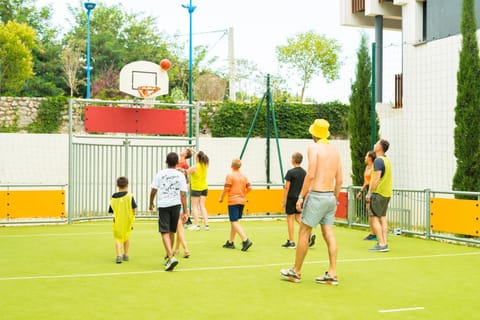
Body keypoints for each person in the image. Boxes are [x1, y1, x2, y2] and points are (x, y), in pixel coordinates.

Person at [280, 119, 342, 285]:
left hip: (317, 195)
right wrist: (334, 198)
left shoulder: (313, 148)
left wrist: (301, 196)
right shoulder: (335, 151)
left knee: (304, 232)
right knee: (329, 233)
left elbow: (312, 173)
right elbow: (340, 179)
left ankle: (296, 271)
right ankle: (332, 273)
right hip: (330, 196)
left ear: (314, 133)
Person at [149, 152, 189, 271]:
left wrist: (151, 203)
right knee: (172, 231)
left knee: (164, 232)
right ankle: (169, 255)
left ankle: (171, 257)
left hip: (164, 205)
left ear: (166, 161)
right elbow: (183, 194)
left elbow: (153, 190)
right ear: (177, 163)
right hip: (176, 204)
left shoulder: (160, 174)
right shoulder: (180, 175)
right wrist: (186, 211)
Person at [281, 152, 316, 248]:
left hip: (291, 198)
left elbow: (287, 187)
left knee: (290, 219)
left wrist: (284, 200)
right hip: (300, 198)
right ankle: (309, 233)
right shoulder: (304, 173)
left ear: (293, 160)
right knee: (298, 217)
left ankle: (291, 241)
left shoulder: (290, 172)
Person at [218, 158, 253, 251]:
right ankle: (230, 242)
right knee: (235, 221)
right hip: (242, 201)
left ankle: (245, 240)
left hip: (233, 201)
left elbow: (226, 188)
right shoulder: (244, 176)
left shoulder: (230, 176)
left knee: (234, 221)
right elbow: (250, 188)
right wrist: (243, 193)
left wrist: (221, 198)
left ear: (231, 166)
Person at [366, 139, 393, 252]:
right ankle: (384, 243)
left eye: (376, 143)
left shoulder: (378, 161)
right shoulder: (387, 160)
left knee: (374, 218)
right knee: (382, 217)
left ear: (380, 148)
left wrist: (369, 193)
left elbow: (376, 178)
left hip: (378, 193)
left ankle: (381, 243)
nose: (374, 144)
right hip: (386, 193)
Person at [109, 176, 137, 264]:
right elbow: (133, 208)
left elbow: (111, 210)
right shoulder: (129, 196)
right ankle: (126, 254)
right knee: (126, 236)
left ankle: (118, 256)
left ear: (117, 185)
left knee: (118, 238)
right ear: (127, 185)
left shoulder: (113, 197)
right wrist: (132, 216)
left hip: (117, 220)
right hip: (128, 220)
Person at [356, 150, 377, 240]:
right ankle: (373, 233)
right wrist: (361, 191)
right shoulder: (367, 167)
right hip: (368, 190)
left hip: (374, 191)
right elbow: (366, 181)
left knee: (375, 214)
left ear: (370, 158)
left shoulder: (374, 168)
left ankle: (375, 234)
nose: (364, 157)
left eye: (366, 156)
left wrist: (370, 193)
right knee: (370, 213)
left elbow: (373, 181)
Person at [188, 151, 210, 231]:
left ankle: (196, 225)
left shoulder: (194, 167)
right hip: (204, 188)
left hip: (196, 188)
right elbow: (200, 154)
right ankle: (206, 225)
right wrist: (193, 150)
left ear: (197, 157)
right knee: (202, 206)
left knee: (194, 207)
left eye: (195, 155)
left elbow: (186, 172)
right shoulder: (204, 165)